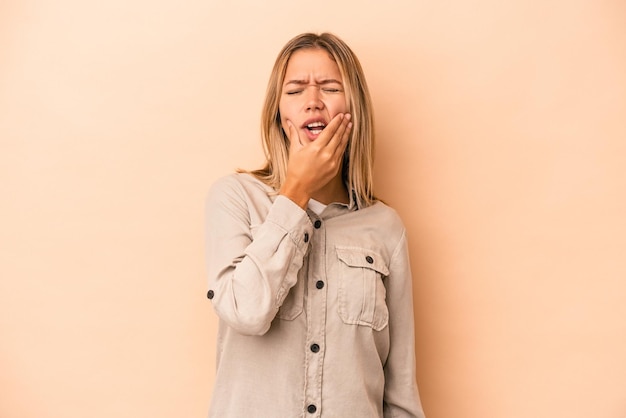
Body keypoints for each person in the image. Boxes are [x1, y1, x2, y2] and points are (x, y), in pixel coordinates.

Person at [204, 32, 426, 418]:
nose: (313, 102)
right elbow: (245, 311)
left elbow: (400, 389)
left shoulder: (386, 228)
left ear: (353, 108)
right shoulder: (235, 198)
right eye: (295, 90)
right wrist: (294, 194)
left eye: (329, 87)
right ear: (278, 112)